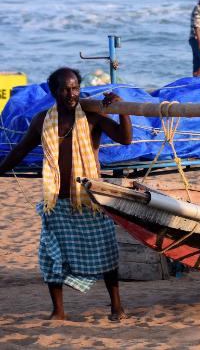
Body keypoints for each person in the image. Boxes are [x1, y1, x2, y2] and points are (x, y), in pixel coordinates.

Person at [0, 68, 132, 321]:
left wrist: (122, 108)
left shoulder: (92, 117)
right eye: (65, 89)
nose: (71, 94)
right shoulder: (42, 120)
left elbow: (125, 139)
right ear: (54, 92)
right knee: (51, 257)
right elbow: (20, 150)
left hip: (89, 200)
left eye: (75, 88)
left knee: (106, 253)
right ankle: (58, 311)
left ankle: (117, 307)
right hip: (56, 200)